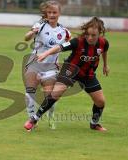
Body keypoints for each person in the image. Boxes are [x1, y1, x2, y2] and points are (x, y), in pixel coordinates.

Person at [24, 17, 109, 132]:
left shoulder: (104, 43)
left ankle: (94, 124)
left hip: (88, 74)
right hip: (70, 70)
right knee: (55, 94)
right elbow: (59, 47)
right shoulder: (77, 41)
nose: (90, 37)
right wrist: (45, 54)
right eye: (88, 34)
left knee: (100, 102)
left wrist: (105, 65)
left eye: (93, 35)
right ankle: (34, 119)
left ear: (100, 33)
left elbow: (104, 51)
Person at [23, 1, 71, 129]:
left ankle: (51, 118)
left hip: (51, 67)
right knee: (29, 93)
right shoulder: (40, 25)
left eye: (54, 12)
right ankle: (32, 120)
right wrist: (33, 32)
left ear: (59, 13)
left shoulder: (65, 32)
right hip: (35, 64)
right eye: (49, 12)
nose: (52, 14)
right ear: (46, 13)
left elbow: (69, 45)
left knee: (50, 96)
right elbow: (26, 38)